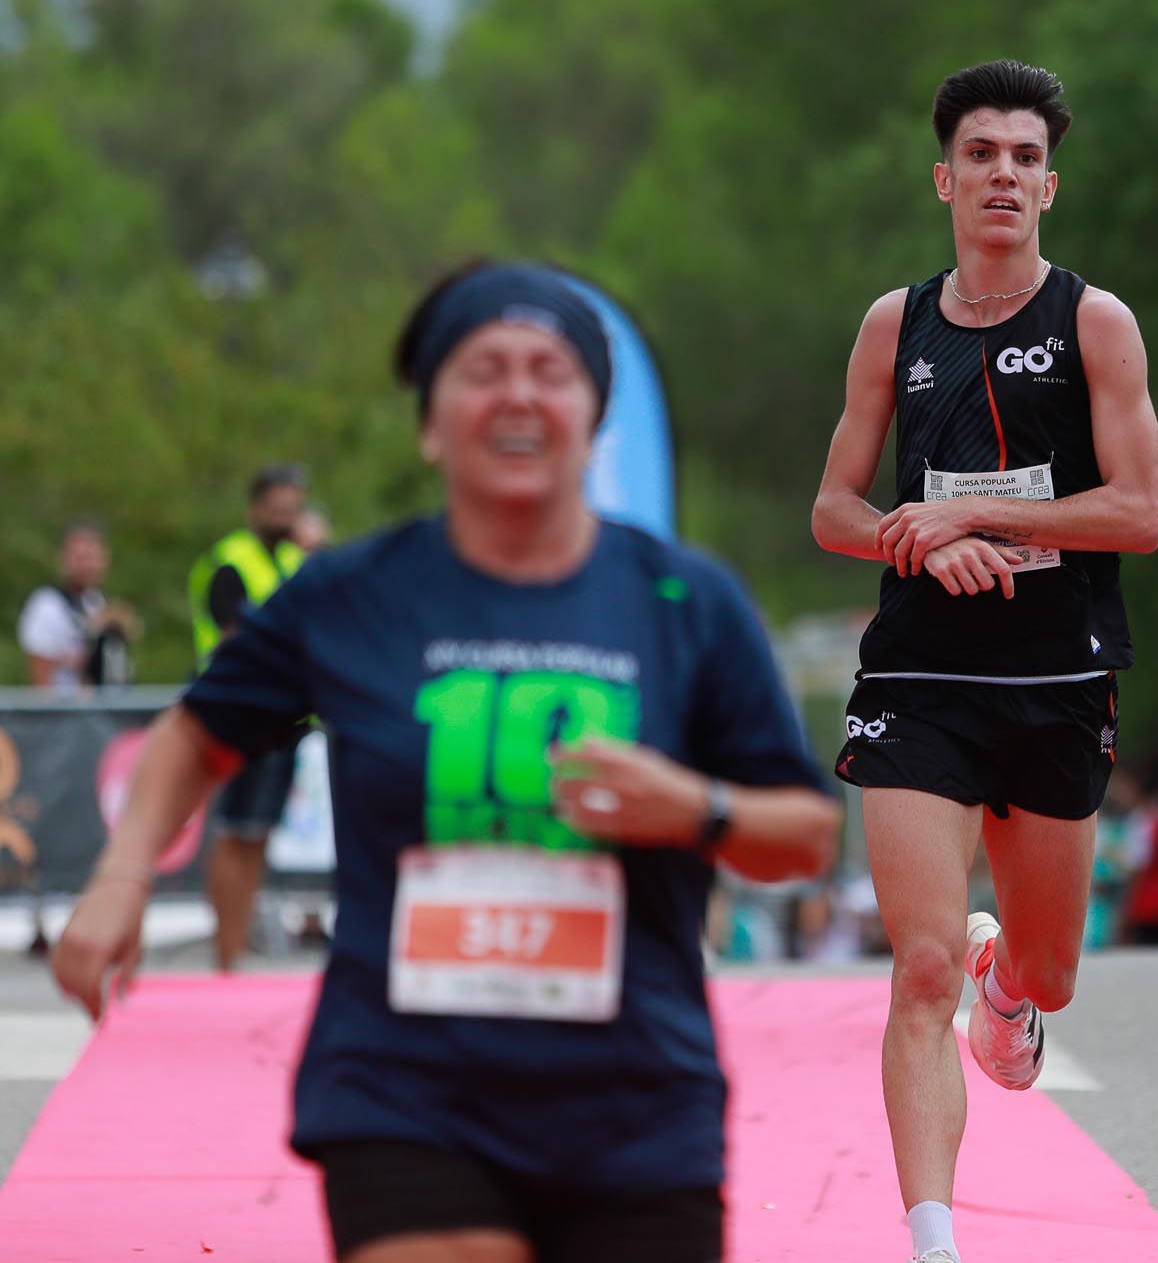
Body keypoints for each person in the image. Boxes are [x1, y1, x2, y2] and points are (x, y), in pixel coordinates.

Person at [54, 261, 841, 1263]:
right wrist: (121, 876)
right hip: (404, 1087)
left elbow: (806, 834)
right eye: (483, 368)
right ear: (430, 422)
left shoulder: (686, 601)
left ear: (592, 418)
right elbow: (193, 734)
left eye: (549, 370)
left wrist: (695, 809)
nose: (518, 392)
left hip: (635, 1097)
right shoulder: (348, 595)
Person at [810, 59, 1158, 1263]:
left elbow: (1137, 512)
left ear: (1048, 187)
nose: (1001, 174)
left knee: (1051, 971)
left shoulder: (1092, 322)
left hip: (1057, 678)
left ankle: (1002, 979)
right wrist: (910, 538)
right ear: (943, 179)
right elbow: (833, 509)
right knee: (915, 970)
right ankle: (933, 1240)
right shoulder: (890, 325)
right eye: (980, 155)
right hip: (919, 677)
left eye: (1023, 158)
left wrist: (983, 522)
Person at [188, 464, 308, 970]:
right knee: (235, 832)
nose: (284, 516)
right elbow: (238, 638)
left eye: (291, 507)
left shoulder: (295, 560)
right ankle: (225, 952)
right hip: (240, 716)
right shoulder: (230, 563)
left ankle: (238, 943)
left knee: (257, 833)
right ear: (255, 508)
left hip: (287, 718)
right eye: (276, 507)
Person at [17, 520, 138, 690]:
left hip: (98, 709)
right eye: (81, 558)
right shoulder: (47, 606)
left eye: (95, 558)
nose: (89, 565)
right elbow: (42, 681)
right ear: (63, 560)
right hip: (64, 711)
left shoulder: (95, 602)